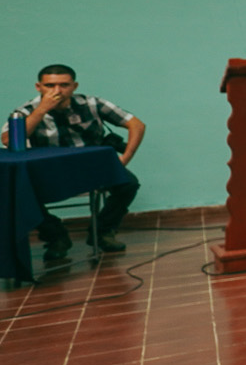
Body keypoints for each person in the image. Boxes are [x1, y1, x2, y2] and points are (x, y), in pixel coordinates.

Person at [7, 65, 145, 260]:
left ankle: (103, 231)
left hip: (91, 166)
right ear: (39, 87)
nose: (57, 91)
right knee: (16, 192)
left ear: (74, 86)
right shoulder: (26, 110)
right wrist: (41, 110)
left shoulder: (91, 103)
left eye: (64, 85)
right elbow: (9, 141)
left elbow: (136, 124)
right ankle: (56, 236)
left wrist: (126, 157)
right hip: (51, 171)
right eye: (50, 85)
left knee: (128, 184)